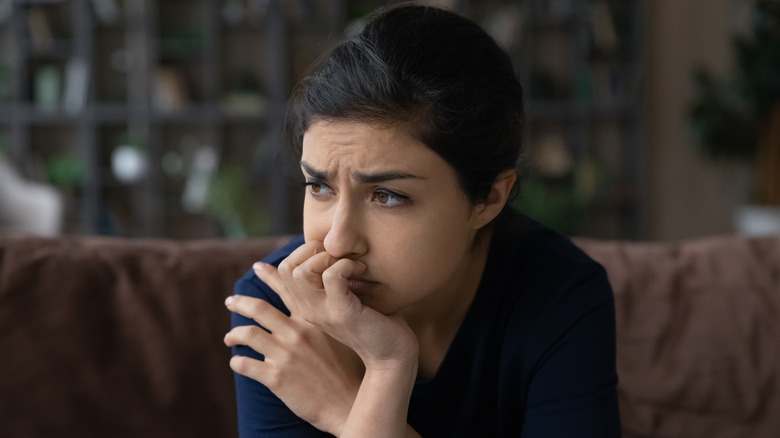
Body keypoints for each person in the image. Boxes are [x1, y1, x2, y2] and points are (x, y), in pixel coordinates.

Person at [223, 3, 620, 437]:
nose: (337, 242)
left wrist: (358, 398)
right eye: (319, 187)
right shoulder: (277, 310)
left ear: (488, 197)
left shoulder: (560, 296)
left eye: (387, 196)